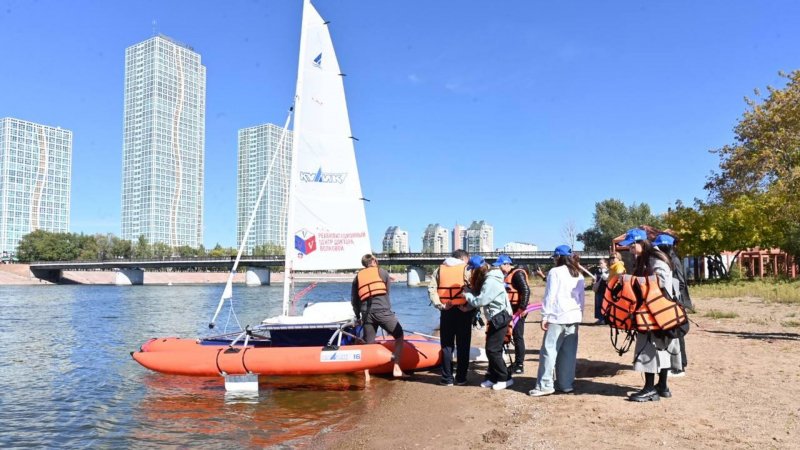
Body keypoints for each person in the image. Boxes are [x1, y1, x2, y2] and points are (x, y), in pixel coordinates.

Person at [620, 228, 682, 401]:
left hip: (655, 312)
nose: (630, 251)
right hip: (663, 311)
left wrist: (631, 280)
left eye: (632, 247)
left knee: (649, 347)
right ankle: (662, 386)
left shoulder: (653, 258)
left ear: (639, 243)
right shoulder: (651, 257)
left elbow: (661, 281)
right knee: (663, 348)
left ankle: (649, 389)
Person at [529, 245, 585, 397]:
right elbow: (581, 298)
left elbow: (550, 295)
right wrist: (580, 315)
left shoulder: (555, 272)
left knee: (549, 351)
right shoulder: (577, 274)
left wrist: (544, 315)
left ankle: (545, 385)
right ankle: (565, 383)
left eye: (554, 257)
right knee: (569, 353)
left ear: (558, 257)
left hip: (557, 316)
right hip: (573, 317)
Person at [351, 254, 406, 378]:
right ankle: (396, 367)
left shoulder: (358, 277)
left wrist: (357, 315)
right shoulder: (382, 272)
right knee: (399, 335)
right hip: (382, 311)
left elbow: (354, 300)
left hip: (366, 314)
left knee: (368, 343)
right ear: (374, 261)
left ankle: (367, 376)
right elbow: (387, 292)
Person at [464, 256, 514, 390]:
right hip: (497, 316)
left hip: (500, 317)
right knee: (492, 349)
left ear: (477, 270)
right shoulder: (490, 277)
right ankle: (493, 377)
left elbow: (480, 301)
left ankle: (505, 378)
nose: (471, 273)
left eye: (472, 270)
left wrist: (466, 294)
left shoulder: (490, 281)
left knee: (493, 350)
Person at [428, 249, 473, 386]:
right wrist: (470, 307)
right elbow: (474, 289)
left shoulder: (439, 270)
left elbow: (431, 289)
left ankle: (447, 378)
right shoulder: (467, 269)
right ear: (463, 258)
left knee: (447, 345)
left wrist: (440, 305)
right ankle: (461, 378)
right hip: (463, 310)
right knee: (463, 345)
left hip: (446, 310)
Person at [652, 234, 692, 377]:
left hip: (676, 300)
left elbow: (680, 282)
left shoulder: (673, 259)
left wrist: (674, 298)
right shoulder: (668, 258)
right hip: (673, 300)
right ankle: (675, 364)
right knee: (672, 333)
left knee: (676, 333)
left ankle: (680, 366)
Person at [494, 254, 530, 374]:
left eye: (500, 265)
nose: (499, 268)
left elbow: (525, 290)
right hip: (510, 308)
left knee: (518, 336)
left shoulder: (517, 274)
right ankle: (512, 363)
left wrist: (522, 307)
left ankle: (519, 365)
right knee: (508, 334)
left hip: (518, 309)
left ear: (506, 264)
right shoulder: (507, 275)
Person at [592, 258, 609, 324]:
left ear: (606, 263)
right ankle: (600, 318)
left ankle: (605, 319)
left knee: (604, 305)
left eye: (601, 263)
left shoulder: (608, 271)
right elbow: (594, 279)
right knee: (598, 305)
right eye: (599, 263)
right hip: (598, 290)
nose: (600, 264)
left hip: (605, 290)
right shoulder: (597, 271)